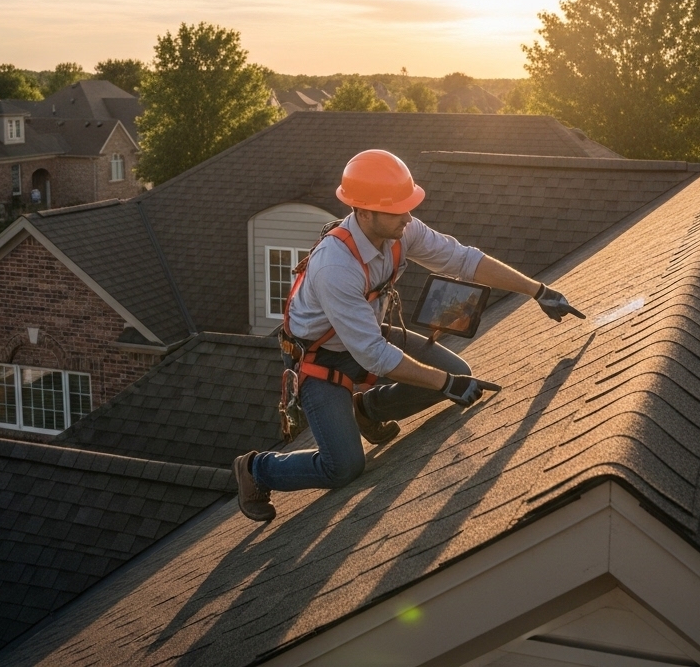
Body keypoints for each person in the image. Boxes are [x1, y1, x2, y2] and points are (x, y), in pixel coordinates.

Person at [235, 149, 584, 521]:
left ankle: (367, 409)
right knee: (344, 467)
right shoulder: (335, 266)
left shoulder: (402, 229)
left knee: (454, 369)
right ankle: (258, 469)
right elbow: (373, 355)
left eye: (408, 206)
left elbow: (463, 259)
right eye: (397, 209)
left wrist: (537, 290)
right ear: (363, 212)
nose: (407, 216)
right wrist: (445, 383)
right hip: (319, 359)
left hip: (366, 335)